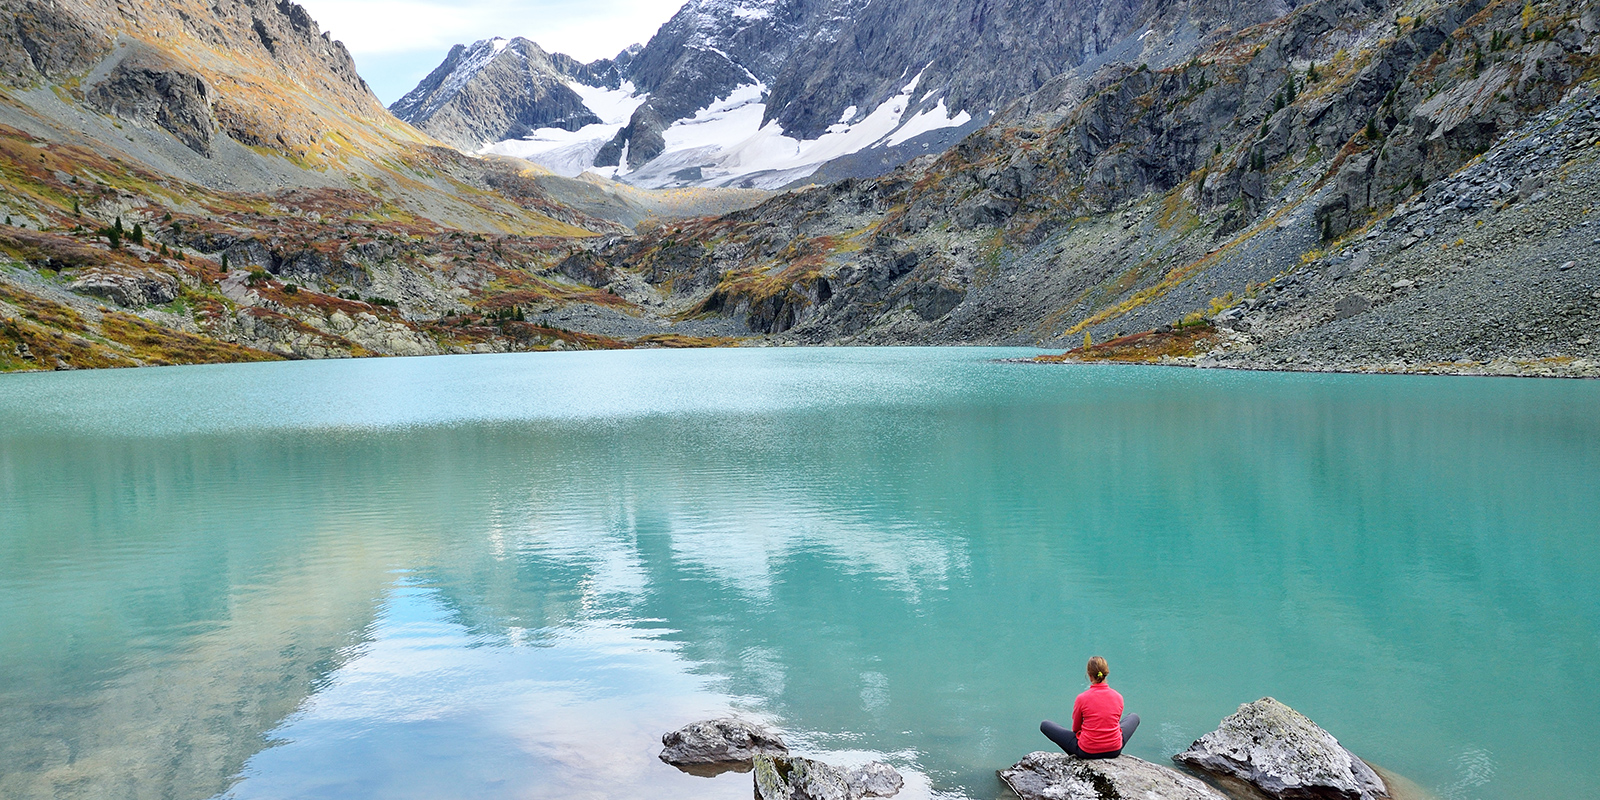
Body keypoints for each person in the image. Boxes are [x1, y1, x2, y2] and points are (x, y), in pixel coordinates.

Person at [1039, 656, 1140, 759]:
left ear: (1090, 675)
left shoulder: (1082, 698)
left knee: (1045, 725)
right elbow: (1114, 723)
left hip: (1087, 751)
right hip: (1114, 750)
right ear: (1106, 673)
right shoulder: (1118, 697)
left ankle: (1075, 755)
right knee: (1134, 717)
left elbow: (1076, 728)